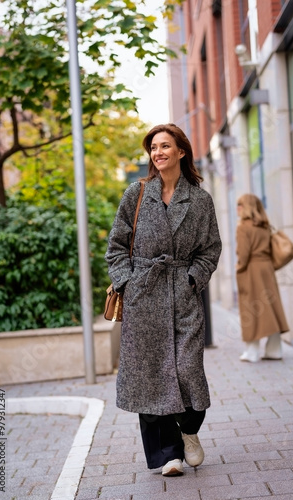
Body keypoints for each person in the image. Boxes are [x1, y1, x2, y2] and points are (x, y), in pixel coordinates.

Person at [105, 123, 222, 476]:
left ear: (181, 151)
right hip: (144, 296)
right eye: (153, 147)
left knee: (189, 371)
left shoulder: (199, 200)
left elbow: (210, 250)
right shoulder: (137, 193)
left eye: (165, 146)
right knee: (151, 376)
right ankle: (166, 456)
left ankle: (189, 430)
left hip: (183, 297)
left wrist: (192, 279)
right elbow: (116, 246)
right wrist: (127, 282)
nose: (158, 153)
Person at [236, 194, 289, 363]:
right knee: (270, 308)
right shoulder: (264, 226)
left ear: (247, 207)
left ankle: (252, 352)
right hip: (267, 269)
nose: (237, 208)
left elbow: (243, 255)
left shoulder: (243, 227)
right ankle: (274, 350)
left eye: (240, 205)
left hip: (252, 270)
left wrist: (239, 269)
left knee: (251, 309)